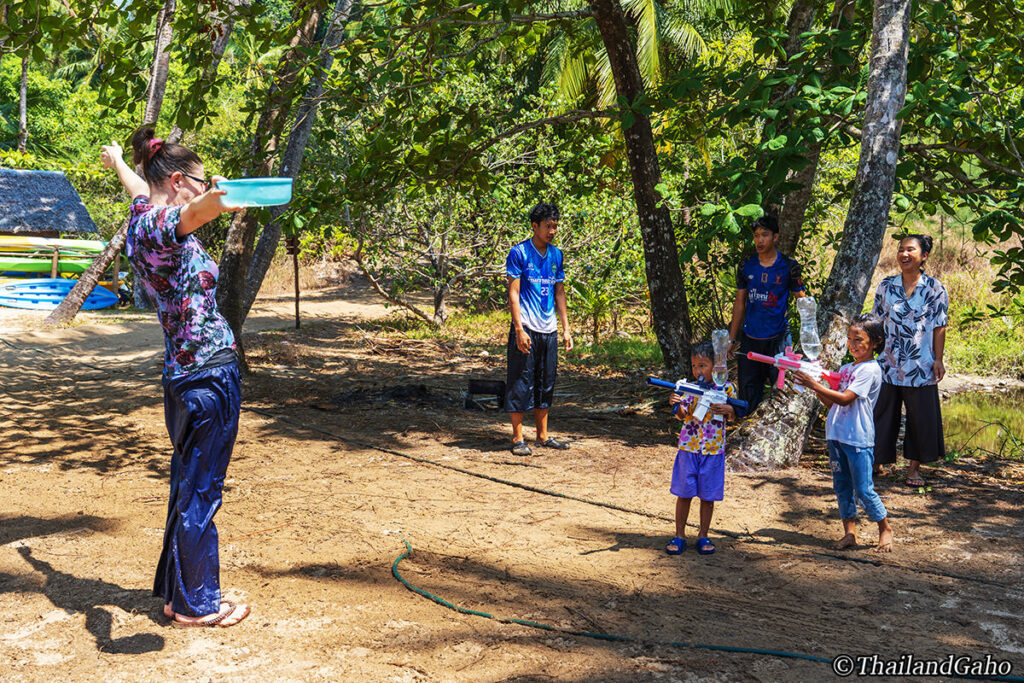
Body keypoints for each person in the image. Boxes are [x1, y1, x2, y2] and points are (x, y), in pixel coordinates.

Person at [100, 128, 250, 627]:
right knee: (202, 490)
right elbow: (194, 213)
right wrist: (222, 196)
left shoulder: (142, 214)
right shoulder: (164, 224)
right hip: (207, 379)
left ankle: (179, 591)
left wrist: (120, 159)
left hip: (185, 377)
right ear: (182, 181)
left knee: (189, 484)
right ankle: (195, 604)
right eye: (200, 181)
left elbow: (140, 188)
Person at [794, 314, 894, 552]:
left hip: (858, 437)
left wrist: (814, 384)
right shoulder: (847, 368)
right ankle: (850, 533)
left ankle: (885, 528)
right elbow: (834, 404)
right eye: (850, 338)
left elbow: (847, 399)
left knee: (863, 489)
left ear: (876, 342)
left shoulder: (870, 370)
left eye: (859, 339)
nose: (853, 344)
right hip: (836, 434)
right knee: (841, 486)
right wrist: (820, 389)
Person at [871, 234, 948, 488]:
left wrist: (938, 359)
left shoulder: (934, 289)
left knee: (919, 419)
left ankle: (914, 470)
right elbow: (877, 322)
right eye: (901, 250)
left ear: (923, 256)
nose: (904, 254)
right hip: (889, 363)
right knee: (881, 415)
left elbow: (939, 326)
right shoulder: (886, 286)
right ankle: (876, 463)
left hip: (920, 365)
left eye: (910, 250)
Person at [504, 202, 574, 456]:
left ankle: (542, 436)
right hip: (526, 327)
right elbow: (513, 293)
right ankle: (517, 438)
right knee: (521, 381)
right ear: (535, 226)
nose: (552, 231)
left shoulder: (556, 255)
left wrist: (565, 328)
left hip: (549, 329)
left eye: (555, 226)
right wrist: (519, 329)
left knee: (546, 381)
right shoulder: (519, 253)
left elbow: (559, 292)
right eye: (548, 226)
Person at [665, 341, 742, 556]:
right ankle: (679, 534)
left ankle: (703, 535)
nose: (697, 371)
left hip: (713, 450)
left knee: (708, 496)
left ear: (716, 366)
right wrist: (676, 403)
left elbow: (735, 415)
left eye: (702, 365)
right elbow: (682, 415)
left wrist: (728, 408)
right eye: (694, 366)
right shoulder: (689, 388)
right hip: (689, 448)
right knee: (684, 493)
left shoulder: (727, 388)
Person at [727, 216, 807, 412]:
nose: (759, 240)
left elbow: (803, 302)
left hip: (778, 338)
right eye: (756, 236)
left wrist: (808, 339)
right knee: (748, 392)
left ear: (775, 237)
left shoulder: (789, 266)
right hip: (750, 338)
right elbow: (739, 303)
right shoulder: (747, 264)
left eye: (765, 235)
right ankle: (746, 434)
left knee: (781, 390)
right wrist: (731, 339)